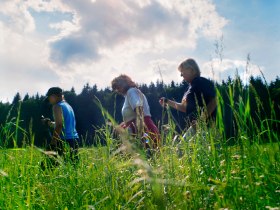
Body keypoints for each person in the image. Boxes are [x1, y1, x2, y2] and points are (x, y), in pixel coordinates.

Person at [159, 58, 217, 132]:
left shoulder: (201, 82)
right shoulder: (189, 88)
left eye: (182, 72)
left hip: (206, 127)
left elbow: (214, 100)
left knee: (182, 143)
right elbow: (184, 107)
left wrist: (201, 120)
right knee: (183, 143)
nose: (181, 75)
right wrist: (167, 101)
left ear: (191, 70)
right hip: (194, 127)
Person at [111, 75, 160, 149]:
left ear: (125, 83)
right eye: (116, 89)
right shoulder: (130, 94)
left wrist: (141, 131)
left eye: (118, 87)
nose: (118, 90)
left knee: (146, 156)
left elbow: (139, 109)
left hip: (142, 129)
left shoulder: (131, 91)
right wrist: (124, 124)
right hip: (137, 128)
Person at [42, 87, 79, 164]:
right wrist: (49, 123)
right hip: (74, 140)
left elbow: (59, 125)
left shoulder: (57, 106)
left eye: (49, 97)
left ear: (54, 96)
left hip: (64, 141)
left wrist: (53, 142)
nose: (49, 100)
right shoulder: (68, 106)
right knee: (72, 167)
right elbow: (63, 123)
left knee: (47, 166)